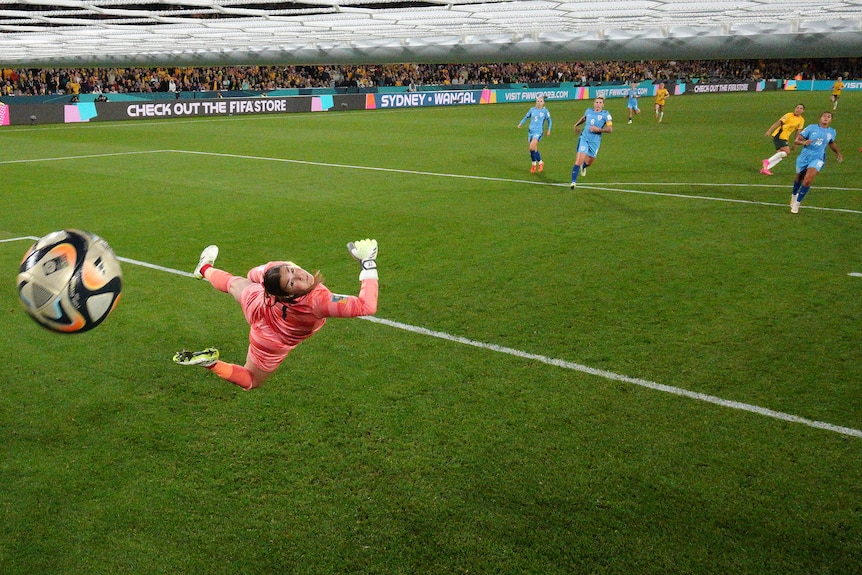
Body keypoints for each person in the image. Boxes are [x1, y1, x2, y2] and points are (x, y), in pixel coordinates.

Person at [172, 239, 380, 390]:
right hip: (273, 339)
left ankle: (204, 268)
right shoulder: (318, 301)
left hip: (259, 305)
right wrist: (368, 262)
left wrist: (269, 282)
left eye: (291, 271)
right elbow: (366, 306)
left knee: (233, 283)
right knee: (251, 380)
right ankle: (212, 364)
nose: (298, 274)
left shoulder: (274, 270)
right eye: (291, 282)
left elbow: (253, 274)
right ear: (287, 293)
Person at [790, 111, 842, 214]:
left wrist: (838, 153)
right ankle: (794, 195)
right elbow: (796, 140)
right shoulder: (811, 128)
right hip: (804, 157)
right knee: (799, 178)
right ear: (820, 118)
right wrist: (803, 142)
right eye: (824, 116)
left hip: (818, 158)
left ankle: (797, 203)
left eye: (829, 117)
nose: (826, 118)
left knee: (808, 180)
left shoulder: (832, 132)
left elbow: (831, 143)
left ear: (831, 120)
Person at [569, 96, 613, 189]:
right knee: (578, 160)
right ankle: (573, 182)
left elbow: (610, 129)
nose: (598, 104)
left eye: (600, 103)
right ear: (594, 103)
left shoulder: (606, 115)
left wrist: (598, 129)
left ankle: (584, 167)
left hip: (595, 141)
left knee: (589, 162)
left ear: (603, 105)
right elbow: (584, 118)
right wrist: (576, 125)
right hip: (584, 138)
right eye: (596, 102)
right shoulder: (588, 111)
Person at [761, 104, 805, 175]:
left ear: (803, 111)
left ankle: (765, 169)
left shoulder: (801, 120)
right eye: (797, 108)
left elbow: (798, 132)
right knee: (787, 152)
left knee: (781, 154)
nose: (798, 109)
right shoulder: (788, 115)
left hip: (785, 137)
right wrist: (769, 131)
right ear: (795, 108)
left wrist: (796, 143)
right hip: (779, 135)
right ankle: (767, 161)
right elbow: (778, 123)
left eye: (801, 108)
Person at [517, 95, 552, 173]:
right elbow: (525, 117)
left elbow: (550, 121)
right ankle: (539, 163)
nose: (539, 103)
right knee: (534, 149)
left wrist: (548, 130)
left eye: (541, 101)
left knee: (531, 147)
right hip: (530, 132)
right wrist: (520, 124)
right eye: (538, 101)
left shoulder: (545, 111)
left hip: (538, 132)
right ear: (536, 102)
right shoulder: (532, 110)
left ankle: (535, 164)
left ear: (543, 103)